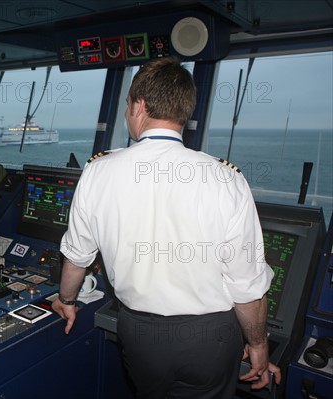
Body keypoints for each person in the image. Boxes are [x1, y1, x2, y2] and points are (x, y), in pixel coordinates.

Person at [52, 57, 282, 398]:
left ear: (140, 105)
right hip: (211, 336)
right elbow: (247, 285)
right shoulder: (224, 177)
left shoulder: (98, 172)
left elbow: (76, 257)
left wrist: (66, 299)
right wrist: (258, 344)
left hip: (141, 334)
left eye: (128, 104)